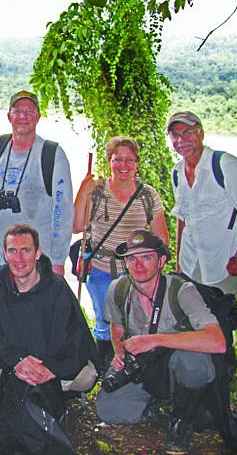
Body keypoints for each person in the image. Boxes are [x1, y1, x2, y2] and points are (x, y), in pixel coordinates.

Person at [96, 230, 228, 453]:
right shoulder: (118, 290)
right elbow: (116, 327)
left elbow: (217, 342)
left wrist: (155, 340)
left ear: (161, 261)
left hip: (176, 364)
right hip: (145, 367)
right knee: (109, 410)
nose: (139, 265)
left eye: (147, 257)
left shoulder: (181, 291)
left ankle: (183, 419)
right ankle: (153, 401)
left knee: (194, 363)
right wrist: (120, 352)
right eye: (132, 258)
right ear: (125, 263)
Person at [0, 224, 96, 454]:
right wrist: (18, 360)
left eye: (25, 250)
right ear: (4, 254)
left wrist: (51, 368)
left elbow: (76, 339)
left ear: (38, 252)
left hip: (48, 365)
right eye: (12, 251)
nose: (18, 258)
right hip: (12, 364)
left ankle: (55, 401)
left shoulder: (57, 288)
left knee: (86, 375)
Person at [72, 136, 169, 373]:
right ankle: (104, 367)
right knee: (105, 320)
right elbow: (77, 226)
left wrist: (156, 269)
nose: (123, 165)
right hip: (101, 269)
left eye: (129, 160)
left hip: (136, 273)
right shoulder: (97, 192)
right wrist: (83, 193)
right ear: (109, 161)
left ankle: (133, 367)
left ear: (137, 163)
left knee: (132, 322)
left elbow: (161, 237)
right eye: (117, 160)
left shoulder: (148, 195)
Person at [0, 90, 73, 274]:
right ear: (9, 117)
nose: (23, 116)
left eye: (30, 111)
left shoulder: (52, 154)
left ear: (38, 117)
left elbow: (62, 210)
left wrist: (58, 259)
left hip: (38, 260)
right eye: (17, 111)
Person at [167, 111, 237, 296]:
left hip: (222, 263)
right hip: (190, 263)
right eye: (175, 135)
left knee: (221, 322)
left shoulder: (226, 165)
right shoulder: (177, 172)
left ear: (201, 133)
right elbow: (182, 218)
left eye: (187, 132)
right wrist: (179, 260)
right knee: (189, 320)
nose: (181, 140)